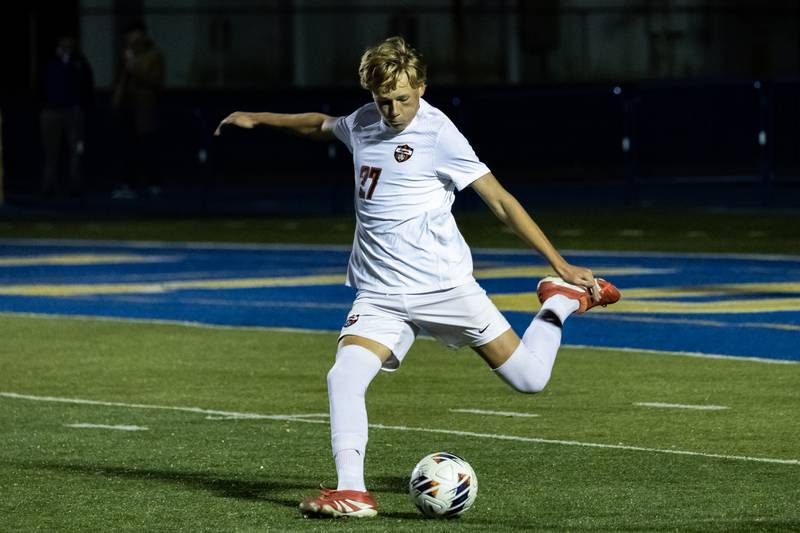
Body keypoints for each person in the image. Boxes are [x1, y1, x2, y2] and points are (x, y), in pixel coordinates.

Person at [215, 36, 620, 519]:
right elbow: (320, 125)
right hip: (380, 294)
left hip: (445, 288)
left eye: (403, 98)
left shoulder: (438, 134)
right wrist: (258, 118)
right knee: (343, 377)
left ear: (422, 88)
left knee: (530, 380)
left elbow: (500, 201)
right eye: (383, 99)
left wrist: (560, 263)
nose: (393, 109)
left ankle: (558, 300)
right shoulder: (364, 121)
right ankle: (353, 492)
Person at [111, 20, 165, 198]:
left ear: (142, 34)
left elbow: (155, 80)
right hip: (128, 108)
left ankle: (153, 183)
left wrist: (134, 67)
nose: (131, 38)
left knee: (148, 146)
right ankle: (128, 184)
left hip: (145, 108)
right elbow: (121, 80)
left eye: (134, 33)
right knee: (128, 147)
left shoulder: (153, 55)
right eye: (128, 34)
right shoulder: (126, 54)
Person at [40, 34, 94, 197]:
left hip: (74, 114)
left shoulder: (80, 62)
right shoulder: (48, 60)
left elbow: (88, 85)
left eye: (71, 39)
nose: (68, 42)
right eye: (65, 38)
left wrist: (82, 107)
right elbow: (40, 83)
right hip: (51, 113)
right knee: (51, 152)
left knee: (76, 150)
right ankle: (49, 185)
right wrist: (44, 106)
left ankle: (75, 185)